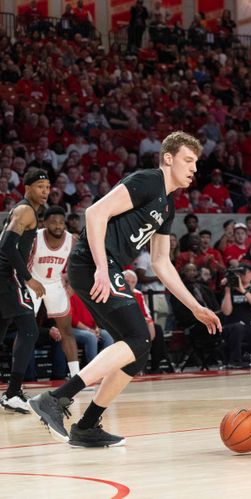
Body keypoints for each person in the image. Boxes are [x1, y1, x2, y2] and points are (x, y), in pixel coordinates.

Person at [30, 132, 221, 447]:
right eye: (188, 160)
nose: (194, 169)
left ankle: (87, 426)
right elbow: (94, 213)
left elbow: (161, 263)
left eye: (196, 163)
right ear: (169, 158)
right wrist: (103, 269)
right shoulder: (148, 181)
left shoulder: (168, 206)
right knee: (137, 338)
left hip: (108, 267)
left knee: (137, 351)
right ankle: (56, 399)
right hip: (92, 264)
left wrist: (195, 307)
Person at [0, 168, 50, 413]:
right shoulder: (25, 210)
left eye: (48, 187)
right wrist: (28, 278)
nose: (45, 191)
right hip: (5, 278)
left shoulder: (25, 210)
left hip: (6, 278)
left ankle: (12, 392)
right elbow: (7, 246)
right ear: (27, 188)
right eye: (40, 186)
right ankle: (12, 393)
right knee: (29, 329)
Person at [28, 206, 81, 379]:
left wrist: (72, 283)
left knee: (66, 331)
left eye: (61, 222)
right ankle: (18, 380)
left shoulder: (71, 240)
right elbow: (20, 264)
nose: (58, 226)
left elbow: (78, 265)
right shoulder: (34, 238)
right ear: (44, 222)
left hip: (55, 284)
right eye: (53, 222)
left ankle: (76, 377)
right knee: (26, 331)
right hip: (32, 281)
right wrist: (27, 281)